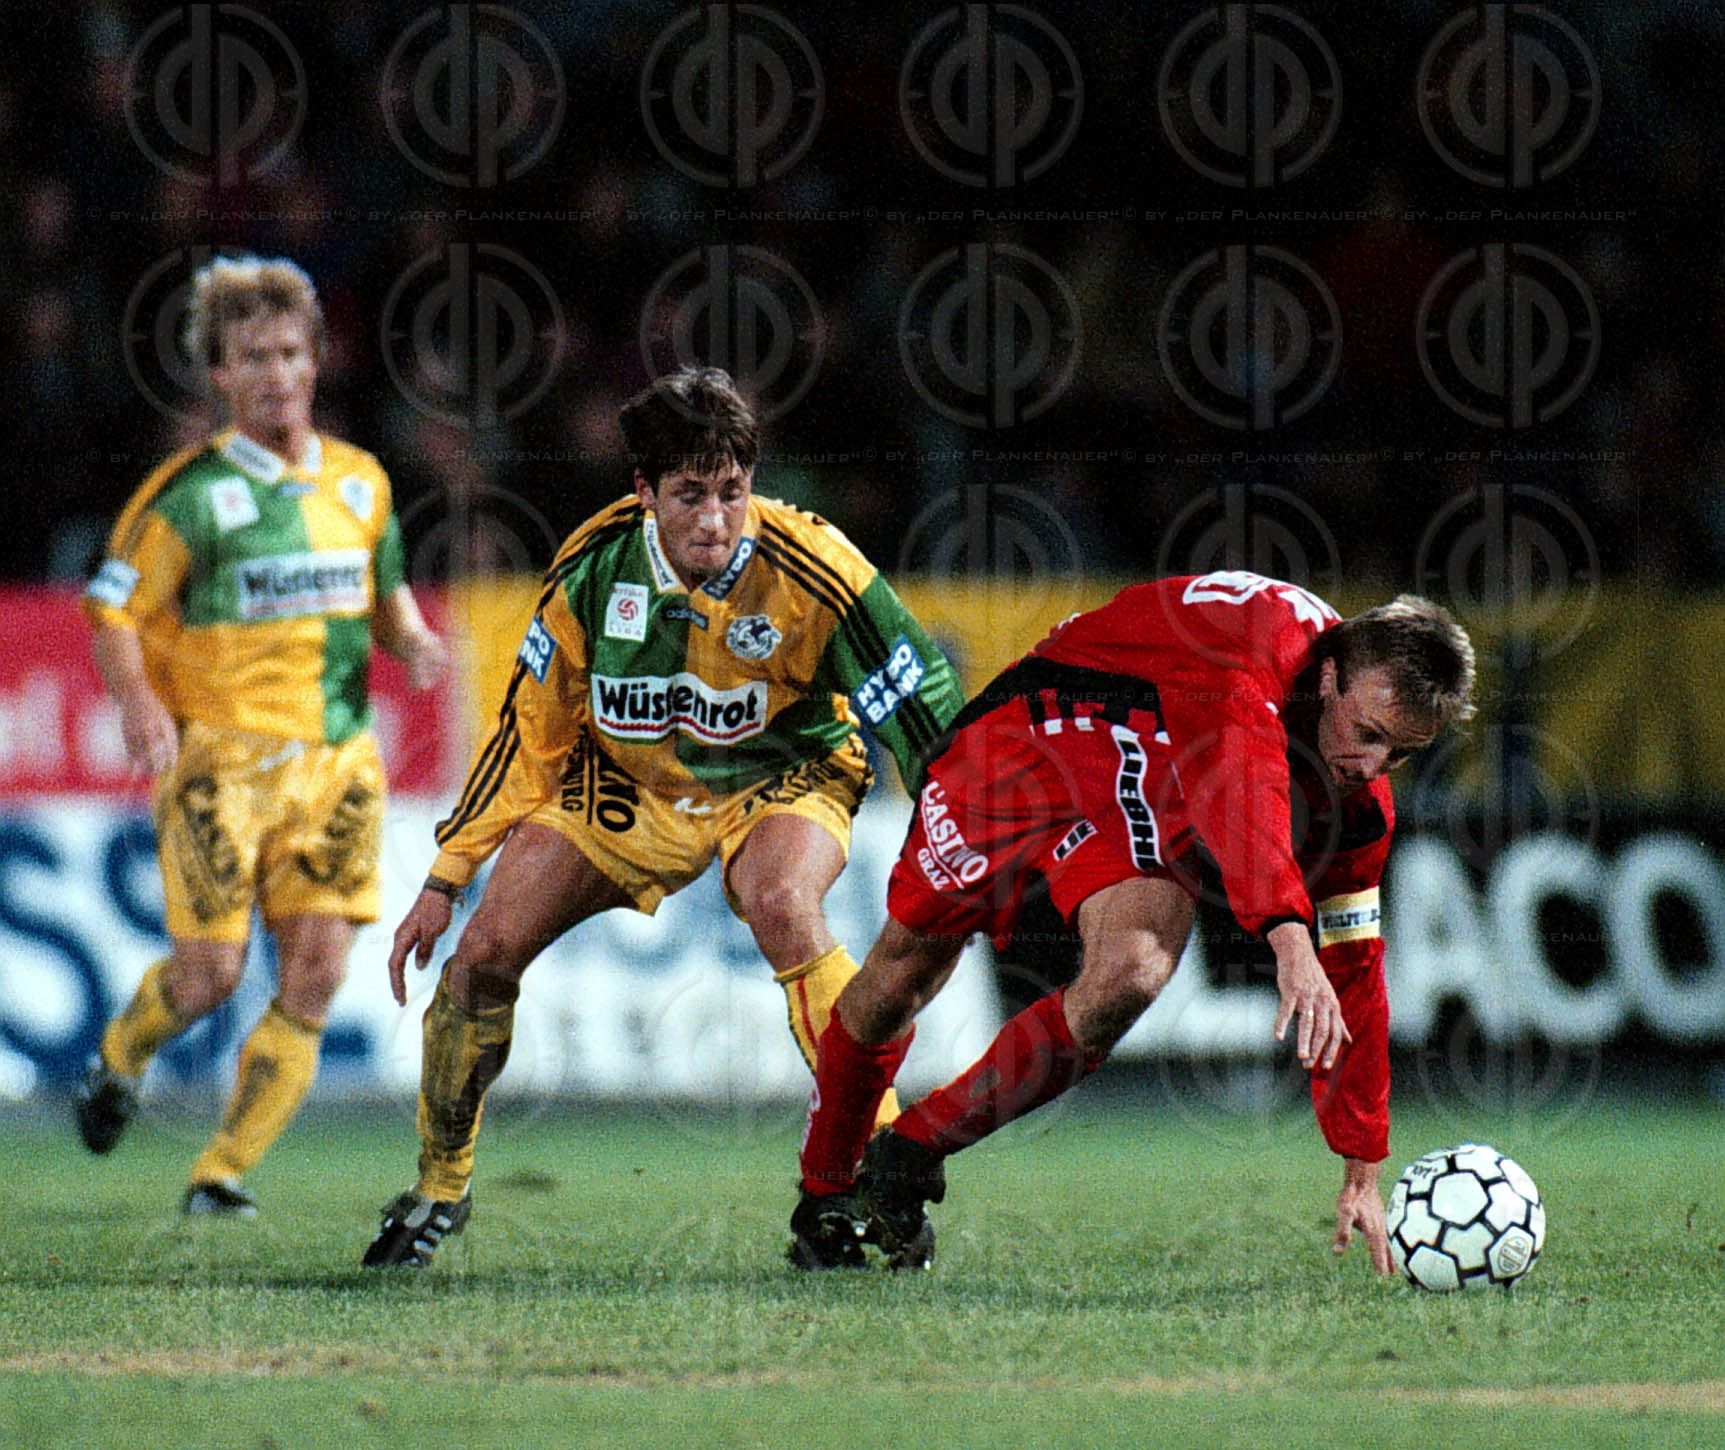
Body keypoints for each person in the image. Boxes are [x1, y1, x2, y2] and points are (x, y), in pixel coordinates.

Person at [361, 366, 963, 1267]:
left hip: (781, 774)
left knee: (783, 904)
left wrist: (971, 837)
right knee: (480, 957)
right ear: (644, 491)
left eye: (732, 492)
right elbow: (527, 735)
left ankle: (875, 1162)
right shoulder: (592, 570)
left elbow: (922, 707)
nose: (715, 520)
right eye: (689, 496)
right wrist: (446, 877)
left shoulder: (817, 569)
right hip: (626, 787)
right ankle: (440, 1184)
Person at [789, 570, 1475, 1271]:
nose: (1371, 764)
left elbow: (1356, 971)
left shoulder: (1358, 807)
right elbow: (1242, 785)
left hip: (1142, 771)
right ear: (1328, 678)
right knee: (900, 978)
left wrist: (1361, 1162)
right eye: (1367, 734)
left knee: (1135, 971)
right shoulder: (1259, 649)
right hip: (1044, 726)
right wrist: (1289, 940)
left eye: (1399, 753)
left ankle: (909, 1153)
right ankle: (824, 1190)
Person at [75, 253, 448, 1216]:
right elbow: (111, 610)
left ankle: (220, 1171)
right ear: (221, 376)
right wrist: (137, 701)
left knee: (317, 972)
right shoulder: (188, 496)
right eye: (253, 357)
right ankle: (119, 1059)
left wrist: (411, 641)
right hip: (222, 764)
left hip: (339, 760)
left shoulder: (362, 483)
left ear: (315, 361)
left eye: (289, 352)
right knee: (210, 975)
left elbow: (387, 598)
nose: (275, 373)